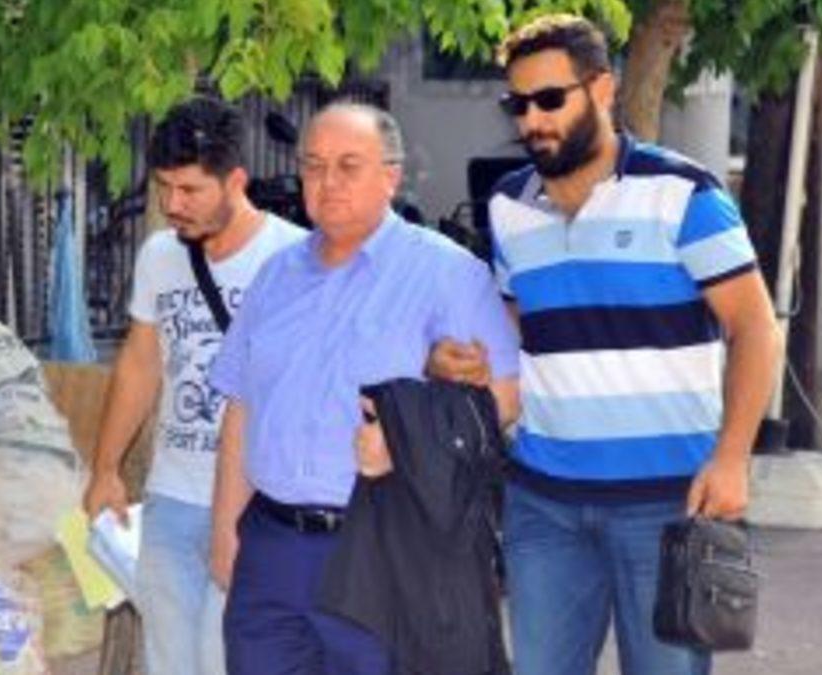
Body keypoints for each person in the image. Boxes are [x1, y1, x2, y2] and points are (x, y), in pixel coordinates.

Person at [427, 14, 783, 675]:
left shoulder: (684, 194)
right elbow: (516, 330)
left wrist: (732, 459)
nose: (532, 120)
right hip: (542, 503)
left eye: (549, 99)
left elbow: (755, 328)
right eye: (517, 104)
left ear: (602, 89)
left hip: (668, 504)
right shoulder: (507, 206)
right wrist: (462, 359)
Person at [207, 102, 521, 675]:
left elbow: (502, 398)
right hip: (270, 548)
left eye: (348, 166)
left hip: (383, 545)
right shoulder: (275, 276)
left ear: (391, 176)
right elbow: (243, 406)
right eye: (314, 166)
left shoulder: (447, 273)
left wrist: (405, 441)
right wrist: (226, 530)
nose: (327, 182)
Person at [81, 96, 306, 675]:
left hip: (258, 503)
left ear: (236, 182)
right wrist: (105, 469)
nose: (171, 205)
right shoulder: (160, 255)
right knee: (170, 663)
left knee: (225, 660)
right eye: (163, 186)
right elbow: (140, 363)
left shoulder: (293, 259)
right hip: (172, 497)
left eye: (189, 190)